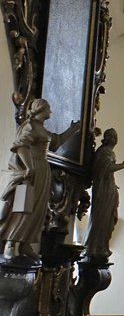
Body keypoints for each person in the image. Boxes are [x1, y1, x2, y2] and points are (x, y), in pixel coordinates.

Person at [0, 99, 79, 259]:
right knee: (24, 207)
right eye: (49, 109)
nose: (50, 112)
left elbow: (56, 143)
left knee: (38, 209)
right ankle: (11, 241)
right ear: (41, 109)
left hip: (43, 169)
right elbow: (21, 146)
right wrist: (29, 167)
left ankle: (25, 244)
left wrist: (73, 129)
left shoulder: (42, 129)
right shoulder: (30, 126)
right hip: (34, 168)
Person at [84, 129, 124, 258]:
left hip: (108, 187)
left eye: (116, 136)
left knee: (108, 219)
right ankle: (93, 248)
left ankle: (102, 246)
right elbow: (105, 168)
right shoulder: (103, 152)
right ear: (107, 138)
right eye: (112, 136)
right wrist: (123, 165)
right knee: (100, 219)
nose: (115, 139)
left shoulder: (109, 152)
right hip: (102, 189)